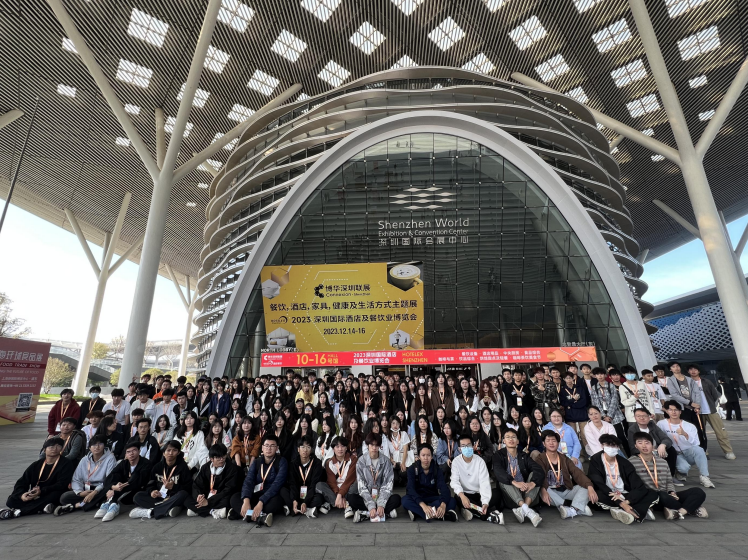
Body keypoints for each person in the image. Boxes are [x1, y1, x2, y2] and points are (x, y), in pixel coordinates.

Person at [632, 432, 708, 519]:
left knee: (698, 492)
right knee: (662, 495)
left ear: (653, 445)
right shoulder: (632, 462)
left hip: (667, 495)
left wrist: (672, 492)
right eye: (640, 443)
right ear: (635, 446)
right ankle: (691, 508)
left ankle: (679, 512)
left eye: (647, 443)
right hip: (651, 497)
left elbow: (669, 481)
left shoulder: (662, 462)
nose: (644, 446)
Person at [587, 434, 659, 524]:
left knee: (651, 493)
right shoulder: (595, 460)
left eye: (614, 446)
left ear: (618, 447)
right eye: (608, 445)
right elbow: (598, 482)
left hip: (624, 494)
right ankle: (638, 510)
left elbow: (638, 485)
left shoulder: (625, 463)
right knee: (597, 495)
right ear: (602, 446)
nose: (611, 448)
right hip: (608, 493)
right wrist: (620, 502)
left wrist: (627, 501)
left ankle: (624, 510)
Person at [1, 437, 75, 520]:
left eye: (58, 446)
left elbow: (62, 484)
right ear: (44, 450)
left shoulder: (66, 463)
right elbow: (22, 482)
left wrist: (42, 491)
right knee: (11, 500)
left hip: (51, 492)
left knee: (54, 496)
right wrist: (22, 495)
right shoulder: (36, 465)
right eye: (51, 447)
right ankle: (42, 508)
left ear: (61, 449)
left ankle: (19, 512)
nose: (55, 449)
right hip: (35, 494)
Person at [228, 434, 288, 526]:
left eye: (272, 446)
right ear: (262, 448)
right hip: (256, 493)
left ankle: (244, 514)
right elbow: (248, 481)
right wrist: (246, 500)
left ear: (277, 448)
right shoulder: (257, 462)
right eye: (266, 446)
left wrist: (261, 502)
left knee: (275, 503)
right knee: (234, 498)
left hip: (271, 495)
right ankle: (260, 517)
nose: (269, 448)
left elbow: (277, 484)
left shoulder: (282, 462)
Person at [535, 430, 596, 519]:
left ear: (558, 443)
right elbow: (539, 476)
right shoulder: (540, 459)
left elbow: (576, 472)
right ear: (544, 444)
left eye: (554, 440)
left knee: (585, 488)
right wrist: (543, 489)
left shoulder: (564, 458)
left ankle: (572, 510)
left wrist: (589, 486)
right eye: (548, 441)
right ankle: (577, 507)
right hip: (550, 492)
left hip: (566, 490)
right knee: (542, 489)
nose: (551, 443)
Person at [54, 435, 117, 515]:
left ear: (104, 445)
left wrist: (94, 492)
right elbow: (76, 478)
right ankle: (93, 503)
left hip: (100, 488)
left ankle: (75, 506)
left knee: (105, 494)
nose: (97, 447)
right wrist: (80, 492)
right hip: (86, 489)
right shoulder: (84, 459)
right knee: (64, 497)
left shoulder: (110, 458)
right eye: (94, 445)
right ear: (89, 448)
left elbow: (109, 480)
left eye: (100, 444)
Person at [493, 429, 544, 526]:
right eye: (508, 437)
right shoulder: (498, 455)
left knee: (535, 475)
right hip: (510, 496)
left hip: (527, 494)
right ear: (504, 441)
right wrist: (514, 482)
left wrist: (532, 483)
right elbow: (498, 471)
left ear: (518, 441)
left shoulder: (524, 455)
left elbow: (538, 470)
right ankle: (528, 511)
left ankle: (524, 508)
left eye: (513, 437)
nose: (511, 439)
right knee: (504, 479)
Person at [130, 440, 193, 519]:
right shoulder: (157, 467)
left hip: (173, 497)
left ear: (178, 453)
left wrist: (173, 487)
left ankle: (151, 512)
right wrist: (152, 491)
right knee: (137, 496)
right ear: (163, 453)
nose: (171, 453)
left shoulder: (183, 467)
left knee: (183, 494)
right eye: (168, 450)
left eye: (174, 450)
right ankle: (168, 509)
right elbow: (150, 484)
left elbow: (188, 488)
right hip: (159, 498)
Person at [657, 400, 714, 487]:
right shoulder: (661, 424)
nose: (673, 412)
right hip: (674, 454)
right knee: (684, 468)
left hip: (687, 451)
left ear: (680, 412)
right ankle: (680, 472)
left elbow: (696, 443)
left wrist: (685, 434)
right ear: (667, 411)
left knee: (699, 450)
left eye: (676, 410)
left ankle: (704, 476)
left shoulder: (689, 426)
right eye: (671, 410)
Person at [348, 432, 401, 522]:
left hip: (381, 495)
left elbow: (388, 485)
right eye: (372, 445)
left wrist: (381, 504)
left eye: (376, 445)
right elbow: (361, 486)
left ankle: (366, 514)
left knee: (397, 499)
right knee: (352, 499)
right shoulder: (361, 461)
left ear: (380, 446)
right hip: (367, 497)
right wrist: (371, 505)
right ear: (367, 445)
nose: (374, 448)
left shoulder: (386, 461)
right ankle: (385, 514)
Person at [450, 434, 503, 524]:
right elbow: (454, 482)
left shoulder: (480, 461)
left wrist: (485, 502)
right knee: (457, 497)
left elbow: (484, 482)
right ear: (459, 449)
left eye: (468, 445)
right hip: (466, 495)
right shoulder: (456, 462)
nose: (466, 448)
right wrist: (463, 496)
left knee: (497, 493)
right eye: (463, 446)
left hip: (479, 494)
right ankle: (488, 515)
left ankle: (472, 510)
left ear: (473, 446)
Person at [94, 440, 151, 521]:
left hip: (137, 491)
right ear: (126, 454)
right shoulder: (124, 463)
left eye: (134, 450)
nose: (131, 453)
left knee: (136, 476)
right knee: (115, 476)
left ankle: (113, 504)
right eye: (128, 452)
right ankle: (110, 503)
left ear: (139, 451)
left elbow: (138, 482)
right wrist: (113, 487)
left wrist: (115, 491)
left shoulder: (146, 463)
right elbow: (108, 478)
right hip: (123, 491)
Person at [688, 365, 736, 460]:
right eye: (691, 369)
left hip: (710, 410)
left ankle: (728, 451)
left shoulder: (706, 382)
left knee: (720, 431)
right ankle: (704, 451)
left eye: (695, 369)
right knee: (699, 433)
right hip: (696, 412)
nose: (693, 371)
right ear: (688, 372)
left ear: (699, 371)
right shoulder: (687, 383)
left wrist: (713, 406)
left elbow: (715, 395)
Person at [402, 444, 457, 522]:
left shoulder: (437, 470)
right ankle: (437, 515)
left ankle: (420, 513)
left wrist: (443, 505)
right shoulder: (412, 469)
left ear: (432, 457)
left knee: (452, 501)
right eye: (423, 455)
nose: (426, 458)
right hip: (418, 499)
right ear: (419, 457)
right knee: (405, 500)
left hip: (433, 498)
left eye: (428, 455)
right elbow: (410, 489)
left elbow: (444, 488)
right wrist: (423, 505)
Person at [185, 443, 240, 518]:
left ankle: (198, 510)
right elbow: (197, 484)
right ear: (211, 459)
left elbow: (228, 489)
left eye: (223, 456)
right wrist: (199, 496)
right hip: (207, 494)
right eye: (218, 458)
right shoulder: (205, 468)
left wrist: (209, 501)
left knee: (229, 499)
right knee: (186, 499)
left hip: (221, 496)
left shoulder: (232, 469)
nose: (222, 460)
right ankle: (213, 511)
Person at [281, 435, 326, 518]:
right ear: (298, 449)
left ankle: (294, 509)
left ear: (311, 449)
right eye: (302, 447)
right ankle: (306, 509)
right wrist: (294, 500)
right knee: (283, 490)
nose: (305, 450)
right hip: (297, 492)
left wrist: (305, 502)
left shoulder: (317, 463)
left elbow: (314, 484)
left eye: (308, 447)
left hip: (310, 493)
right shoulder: (293, 464)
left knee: (319, 498)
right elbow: (292, 484)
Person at [626, 408, 677, 477]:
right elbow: (633, 448)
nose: (642, 418)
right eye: (638, 416)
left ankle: (670, 476)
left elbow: (666, 439)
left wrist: (662, 445)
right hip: (643, 452)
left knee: (671, 450)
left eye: (644, 416)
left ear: (649, 417)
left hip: (658, 450)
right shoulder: (632, 429)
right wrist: (649, 451)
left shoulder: (652, 425)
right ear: (635, 417)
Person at [667, 362, 706, 448]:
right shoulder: (670, 380)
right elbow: (674, 395)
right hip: (683, 409)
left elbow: (697, 392)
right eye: (673, 367)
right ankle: (690, 448)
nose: (676, 368)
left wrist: (697, 405)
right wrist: (690, 403)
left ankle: (703, 448)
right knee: (686, 429)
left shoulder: (689, 379)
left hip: (694, 408)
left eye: (677, 366)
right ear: (670, 369)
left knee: (699, 428)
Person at [589, 367, 628, 453]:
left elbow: (615, 401)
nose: (600, 376)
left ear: (605, 375)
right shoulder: (594, 388)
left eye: (601, 374)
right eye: (597, 374)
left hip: (616, 416)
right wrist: (604, 416)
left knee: (621, 437)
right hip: (603, 417)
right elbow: (595, 403)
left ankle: (628, 455)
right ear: (595, 376)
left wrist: (609, 415)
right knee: (608, 438)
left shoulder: (611, 386)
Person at [317, 436, 357, 518]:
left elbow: (350, 480)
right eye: (337, 446)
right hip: (335, 489)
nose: (340, 449)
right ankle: (346, 504)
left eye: (342, 446)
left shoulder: (353, 459)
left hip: (348, 488)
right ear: (333, 449)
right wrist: (338, 495)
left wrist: (340, 495)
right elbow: (331, 482)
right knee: (319, 485)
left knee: (357, 485)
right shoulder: (329, 462)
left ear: (346, 448)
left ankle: (331, 502)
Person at [559, 371, 589, 456]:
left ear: (573, 378)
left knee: (585, 435)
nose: (569, 380)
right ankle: (578, 454)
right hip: (570, 416)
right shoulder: (562, 390)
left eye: (570, 378)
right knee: (573, 436)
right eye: (567, 378)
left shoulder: (580, 388)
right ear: (564, 379)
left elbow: (584, 401)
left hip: (582, 415)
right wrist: (573, 400)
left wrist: (571, 405)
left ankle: (589, 453)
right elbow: (563, 403)